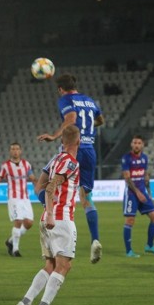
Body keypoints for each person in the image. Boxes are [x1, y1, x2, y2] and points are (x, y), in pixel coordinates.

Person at [15, 125, 81, 305]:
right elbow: (51, 187)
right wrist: (52, 212)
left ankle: (26, 303)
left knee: (50, 264)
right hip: (60, 218)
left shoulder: (55, 160)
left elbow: (40, 186)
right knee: (64, 265)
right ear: (78, 141)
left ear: (62, 141)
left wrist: (47, 211)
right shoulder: (70, 162)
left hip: (47, 218)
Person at [37, 73, 105, 264]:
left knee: (41, 186)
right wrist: (88, 128)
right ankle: (95, 239)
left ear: (60, 89)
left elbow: (71, 118)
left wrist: (54, 135)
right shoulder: (90, 101)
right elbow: (101, 120)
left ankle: (52, 216)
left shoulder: (66, 99)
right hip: (90, 150)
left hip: (72, 150)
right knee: (86, 197)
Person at [0, 142, 37, 257]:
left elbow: (32, 178)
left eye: (17, 149)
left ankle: (10, 241)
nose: (15, 151)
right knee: (18, 221)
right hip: (14, 198)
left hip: (25, 198)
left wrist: (39, 188)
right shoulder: (6, 166)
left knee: (29, 223)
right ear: (10, 151)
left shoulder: (26, 164)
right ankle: (15, 249)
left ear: (21, 151)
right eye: (13, 149)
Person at [121, 135, 154, 258]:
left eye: (139, 143)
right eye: (134, 142)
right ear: (131, 144)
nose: (136, 145)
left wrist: (147, 184)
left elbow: (144, 174)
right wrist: (138, 193)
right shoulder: (126, 158)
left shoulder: (144, 158)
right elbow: (127, 178)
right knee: (130, 220)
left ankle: (149, 245)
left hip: (142, 192)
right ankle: (129, 251)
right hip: (131, 194)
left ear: (142, 145)